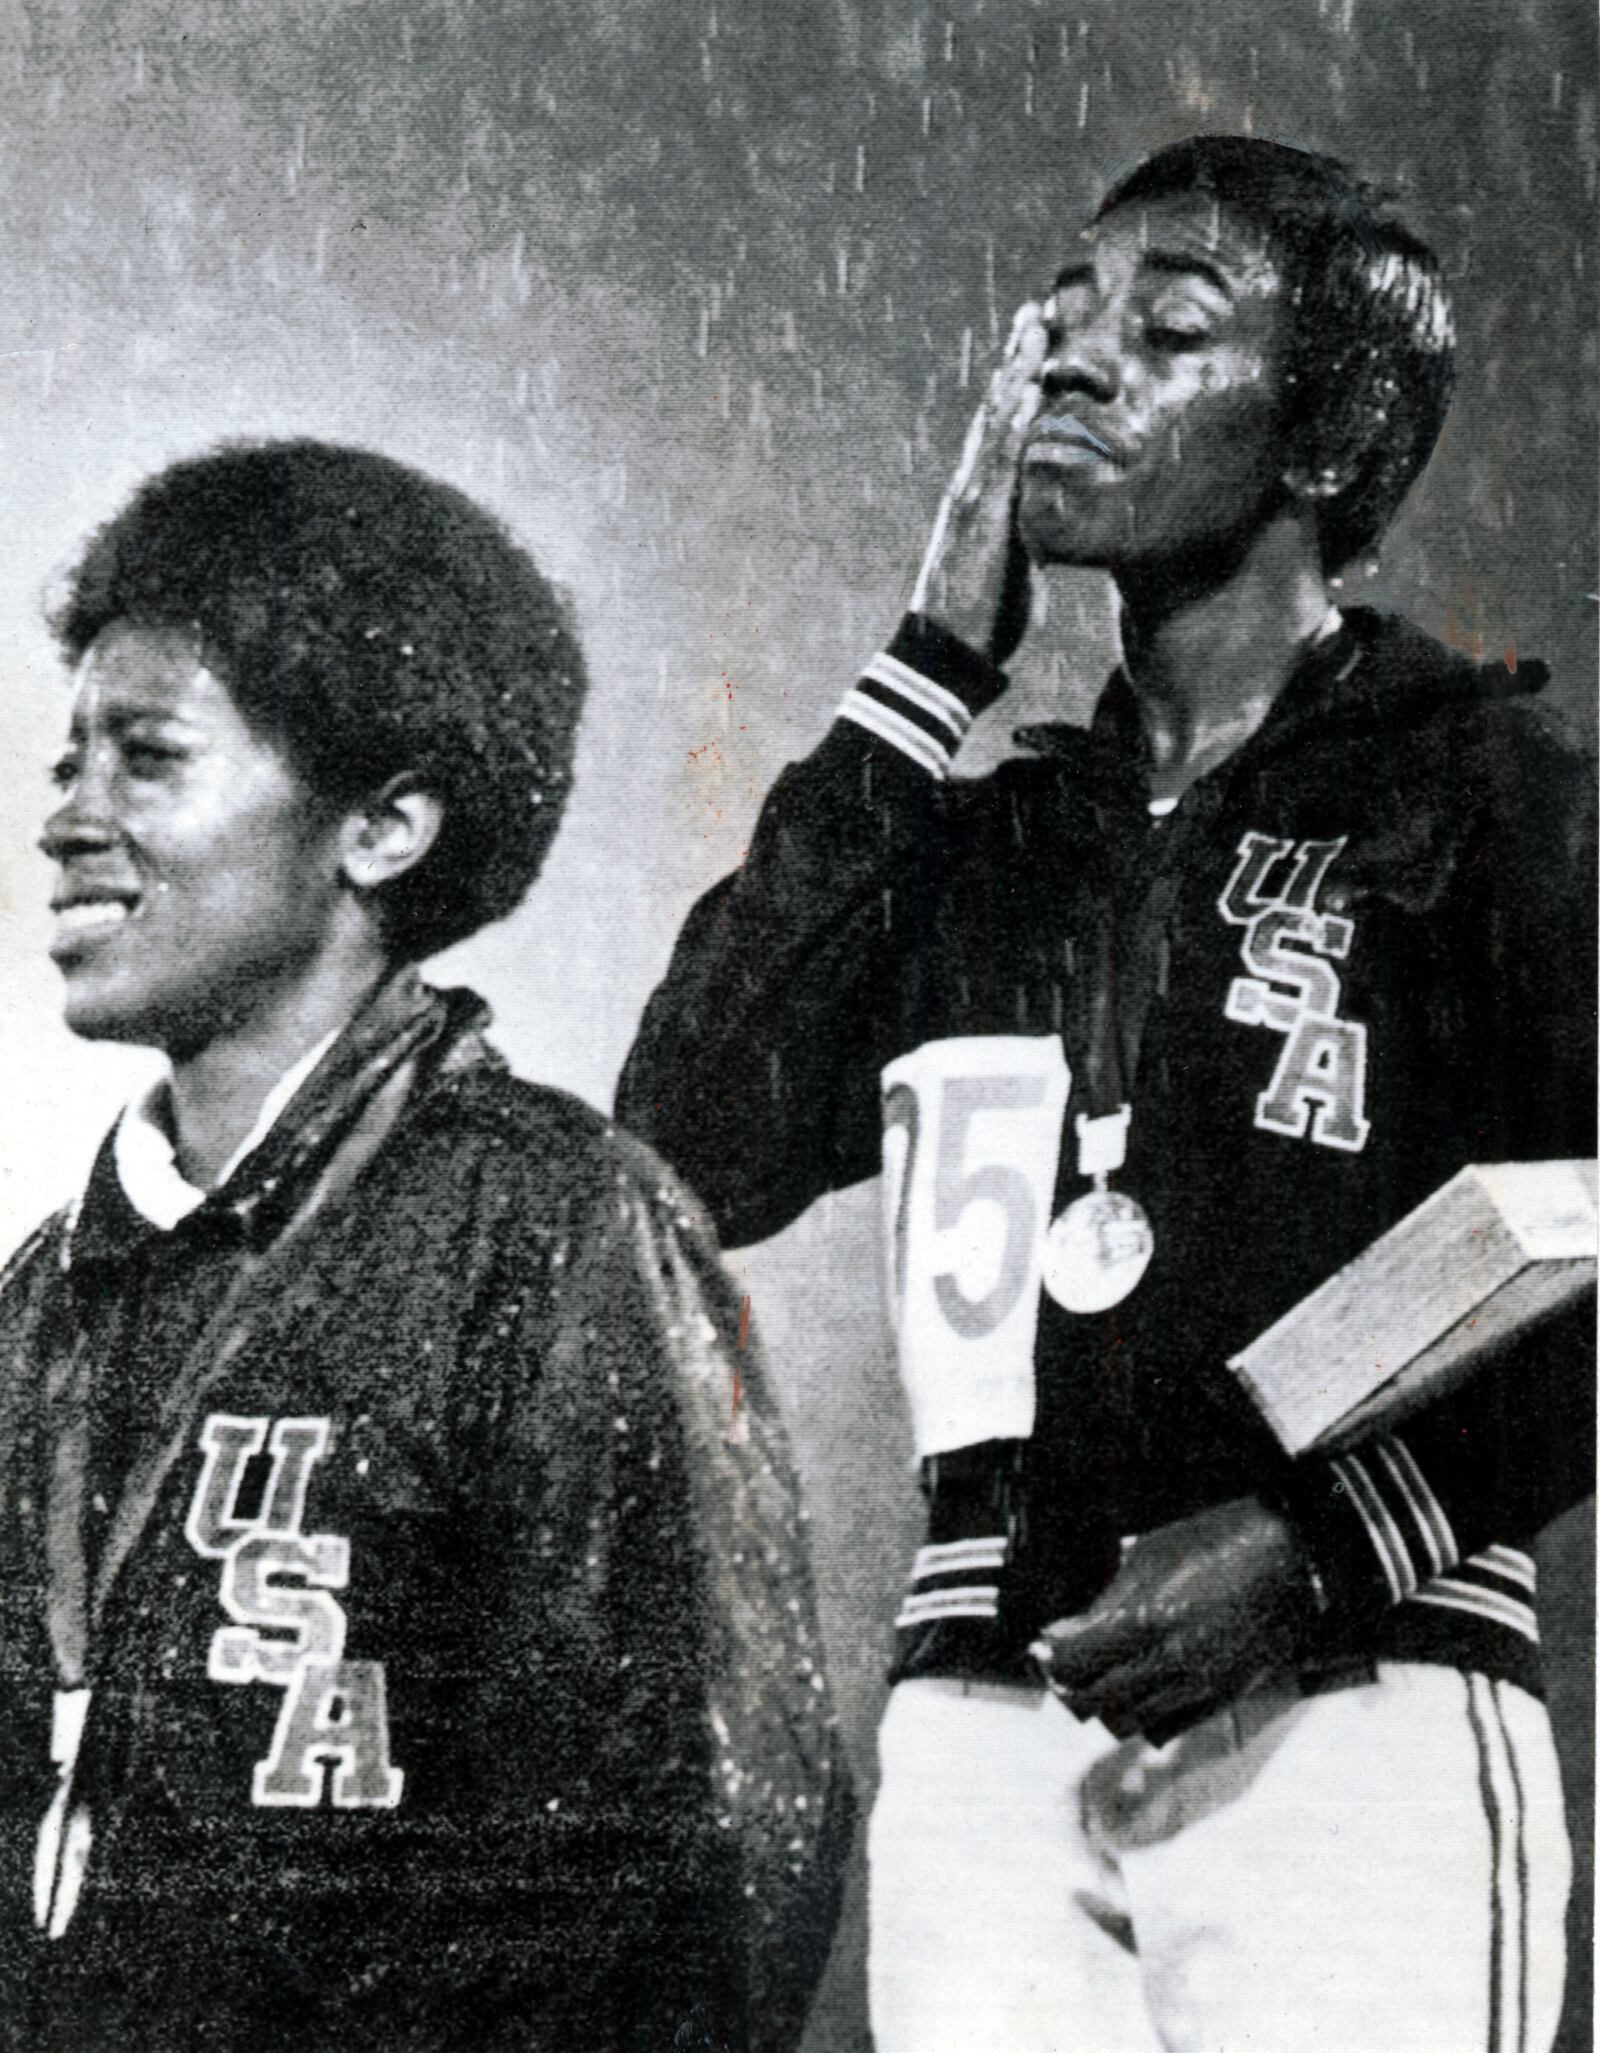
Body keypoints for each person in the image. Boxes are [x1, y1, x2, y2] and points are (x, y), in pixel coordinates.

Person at [618, 136, 1596, 2052]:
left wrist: (1331, 1543)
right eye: (1058, 321)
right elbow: (684, 1149)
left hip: (1364, 1698)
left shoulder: (1487, 793)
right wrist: (924, 665)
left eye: (1168, 327)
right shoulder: (974, 842)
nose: (1072, 363)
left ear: (1324, 434)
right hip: (984, 1709)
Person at [0, 439, 851, 2051]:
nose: (68, 819)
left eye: (148, 757)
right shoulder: (37, 1308)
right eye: (67, 761)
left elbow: (711, 1851)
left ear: (382, 824)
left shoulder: (557, 1229)